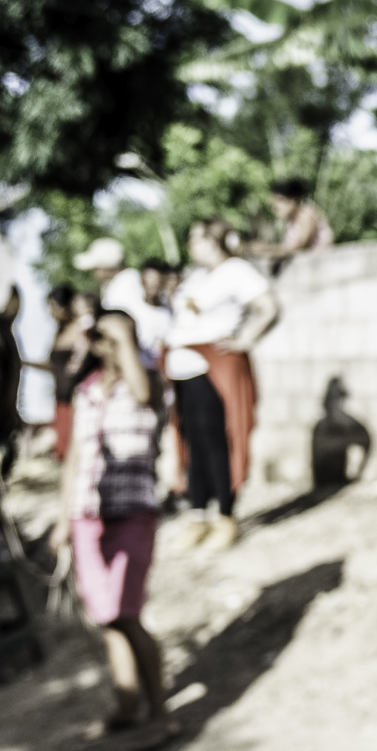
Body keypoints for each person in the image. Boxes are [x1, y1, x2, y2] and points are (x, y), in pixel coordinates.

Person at [48, 310, 177, 751]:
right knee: (105, 615)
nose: (101, 345)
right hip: (89, 512)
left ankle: (160, 712)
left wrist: (123, 337)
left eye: (108, 338)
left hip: (132, 510)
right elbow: (75, 458)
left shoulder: (147, 384)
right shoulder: (87, 392)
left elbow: (145, 395)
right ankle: (127, 705)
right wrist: (64, 517)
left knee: (126, 611)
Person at [164, 218, 279, 551]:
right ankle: (197, 516)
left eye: (197, 238)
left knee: (217, 443)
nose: (191, 245)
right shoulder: (197, 277)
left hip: (211, 368)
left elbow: (268, 307)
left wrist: (245, 340)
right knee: (192, 446)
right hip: (183, 368)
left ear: (215, 240)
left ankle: (225, 517)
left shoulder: (237, 271)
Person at [76, 237, 171, 368]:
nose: (94, 273)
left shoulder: (120, 288)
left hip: (143, 359)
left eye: (96, 268)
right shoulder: (128, 279)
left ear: (104, 267)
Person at [47, 285, 96, 462]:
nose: (51, 312)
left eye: (54, 306)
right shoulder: (59, 333)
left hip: (76, 399)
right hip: (61, 399)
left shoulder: (84, 330)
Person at [248, 178, 334, 271]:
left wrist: (268, 249)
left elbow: (300, 248)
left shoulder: (307, 215)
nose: (275, 206)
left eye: (280, 200)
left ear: (293, 200)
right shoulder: (291, 220)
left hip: (319, 266)